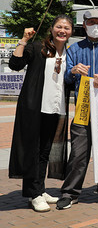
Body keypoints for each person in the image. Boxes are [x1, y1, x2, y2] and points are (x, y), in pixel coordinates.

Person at [56, 10, 98, 210]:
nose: (95, 26)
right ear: (83, 25)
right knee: (78, 152)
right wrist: (73, 71)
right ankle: (70, 192)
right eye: (91, 22)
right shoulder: (74, 49)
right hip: (83, 107)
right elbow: (65, 79)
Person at [8, 15, 73, 212]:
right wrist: (23, 40)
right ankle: (33, 194)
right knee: (32, 150)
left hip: (55, 108)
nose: (62, 30)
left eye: (67, 28)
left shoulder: (69, 54)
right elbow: (15, 64)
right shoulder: (37, 48)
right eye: (59, 27)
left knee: (44, 151)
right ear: (52, 29)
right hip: (34, 108)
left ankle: (40, 189)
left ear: (71, 32)